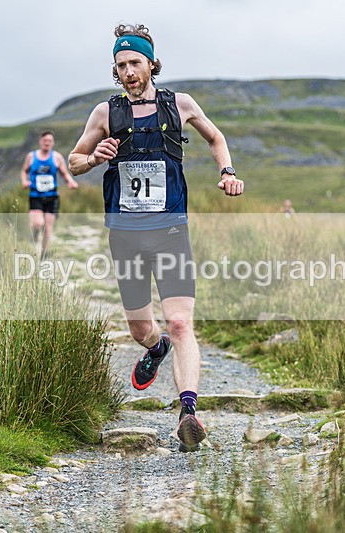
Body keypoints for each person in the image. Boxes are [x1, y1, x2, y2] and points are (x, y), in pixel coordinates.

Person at [68, 23, 243, 452]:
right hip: (125, 234)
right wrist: (93, 158)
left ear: (151, 63)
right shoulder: (104, 114)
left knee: (181, 321)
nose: (128, 71)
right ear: (116, 70)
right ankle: (156, 347)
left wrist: (227, 171)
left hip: (170, 230)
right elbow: (72, 162)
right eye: (121, 65)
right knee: (141, 328)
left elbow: (215, 137)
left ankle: (188, 412)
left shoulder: (179, 104)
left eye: (135, 62)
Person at [21, 130, 79, 259]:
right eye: (45, 141)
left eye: (50, 141)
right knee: (37, 223)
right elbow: (24, 171)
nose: (47, 143)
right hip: (35, 195)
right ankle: (35, 234)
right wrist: (24, 181)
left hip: (52, 197)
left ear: (53, 143)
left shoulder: (57, 157)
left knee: (48, 227)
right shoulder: (31, 156)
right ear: (40, 142)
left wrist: (71, 182)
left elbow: (64, 173)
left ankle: (44, 255)